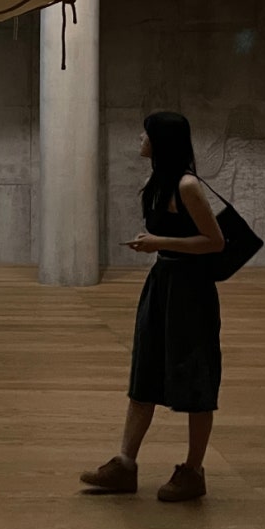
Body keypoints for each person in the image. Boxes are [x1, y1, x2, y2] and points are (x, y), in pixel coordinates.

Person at [80, 111, 225, 502]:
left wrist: (159, 242)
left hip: (191, 292)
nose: (140, 139)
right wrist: (155, 243)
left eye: (146, 133)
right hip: (162, 284)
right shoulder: (158, 182)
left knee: (194, 375)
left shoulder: (187, 185)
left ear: (162, 141)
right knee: (144, 370)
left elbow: (215, 241)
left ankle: (193, 471)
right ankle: (125, 463)